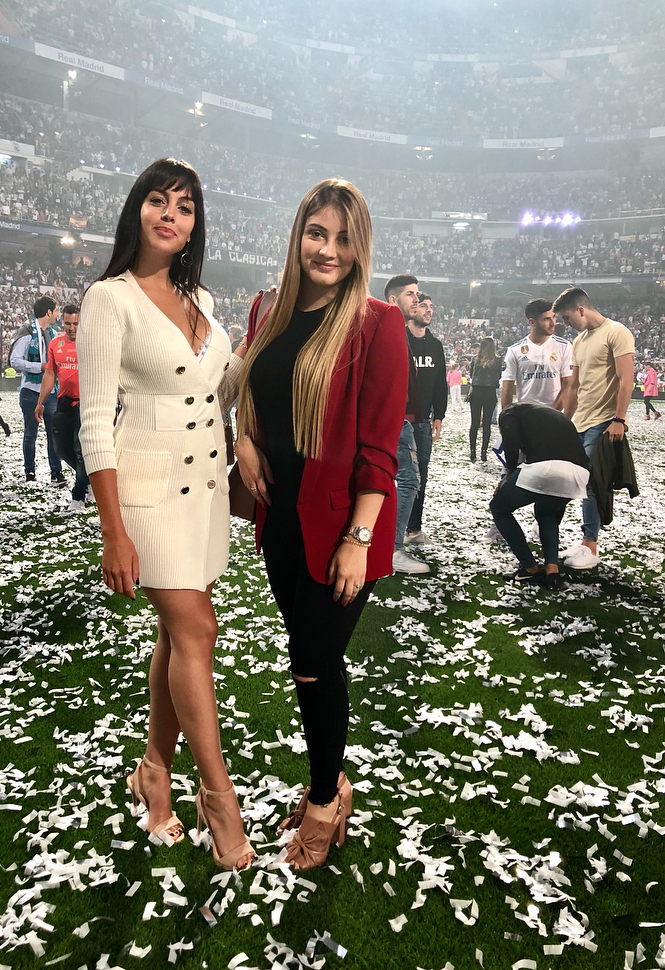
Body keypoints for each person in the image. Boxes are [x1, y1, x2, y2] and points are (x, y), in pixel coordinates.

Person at [78, 158, 254, 870]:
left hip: (205, 490)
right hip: (146, 495)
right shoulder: (108, 297)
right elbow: (96, 422)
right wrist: (112, 531)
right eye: (159, 200)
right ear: (138, 209)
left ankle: (153, 769)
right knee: (198, 630)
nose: (170, 214)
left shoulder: (201, 298)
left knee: (177, 637)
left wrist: (265, 343)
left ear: (193, 226)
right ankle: (219, 799)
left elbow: (221, 388)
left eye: (185, 207)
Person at [235, 178, 408, 870]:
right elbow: (249, 391)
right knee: (310, 659)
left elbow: (380, 450)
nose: (328, 250)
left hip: (344, 530)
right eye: (316, 233)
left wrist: (358, 540)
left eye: (343, 238)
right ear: (297, 235)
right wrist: (242, 439)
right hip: (280, 516)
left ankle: (324, 800)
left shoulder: (378, 324)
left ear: (359, 247)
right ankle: (330, 781)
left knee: (312, 661)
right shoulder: (267, 308)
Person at [554, 286, 636, 569]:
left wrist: (619, 419)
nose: (566, 324)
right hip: (580, 422)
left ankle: (590, 545)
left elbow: (626, 380)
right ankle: (583, 542)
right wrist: (565, 422)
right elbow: (574, 387)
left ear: (581, 309)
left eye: (567, 318)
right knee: (572, 480)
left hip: (602, 421)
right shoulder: (579, 341)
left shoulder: (617, 332)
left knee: (590, 481)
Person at [490, 403, 590, 591]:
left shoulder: (509, 412)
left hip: (544, 467)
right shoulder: (550, 415)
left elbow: (511, 443)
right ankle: (552, 572)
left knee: (499, 508)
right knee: (547, 513)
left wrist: (508, 474)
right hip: (580, 472)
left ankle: (530, 567)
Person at [383, 274, 429, 574]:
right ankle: (392, 549)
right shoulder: (388, 332)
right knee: (409, 481)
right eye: (410, 294)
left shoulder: (398, 332)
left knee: (395, 480)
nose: (417, 299)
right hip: (394, 419)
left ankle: (386, 544)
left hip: (400, 418)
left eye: (417, 294)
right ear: (393, 299)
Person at [35, 305, 93, 511]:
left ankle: (78, 496)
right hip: (64, 402)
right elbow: (50, 373)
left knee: (80, 450)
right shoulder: (55, 344)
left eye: (76, 323)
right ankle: (91, 479)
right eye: (68, 323)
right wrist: (40, 402)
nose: (72, 327)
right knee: (60, 448)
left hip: (86, 403)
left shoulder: (92, 343)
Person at [402, 292, 447, 547]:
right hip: (398, 421)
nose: (429, 310)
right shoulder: (399, 340)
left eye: (431, 306)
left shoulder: (435, 346)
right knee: (399, 476)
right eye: (423, 306)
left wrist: (439, 416)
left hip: (422, 423)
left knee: (421, 476)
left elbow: (440, 384)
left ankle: (413, 528)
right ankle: (393, 527)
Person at [11, 296, 64, 484]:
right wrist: (39, 367)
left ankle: (56, 471)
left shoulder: (54, 334)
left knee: (54, 434)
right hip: (31, 390)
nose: (58, 314)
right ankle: (30, 471)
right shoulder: (26, 332)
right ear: (48, 312)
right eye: (56, 310)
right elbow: (14, 361)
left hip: (51, 391)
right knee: (30, 434)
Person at [500, 299, 574, 411]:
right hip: (525, 414)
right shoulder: (515, 350)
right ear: (532, 322)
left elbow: (568, 384)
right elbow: (507, 387)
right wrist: (507, 418)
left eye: (553, 317)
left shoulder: (564, 346)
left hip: (554, 415)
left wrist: (552, 414)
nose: (553, 323)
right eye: (546, 319)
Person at [468, 337, 501, 462]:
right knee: (487, 424)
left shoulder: (475, 359)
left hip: (476, 391)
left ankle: (472, 451)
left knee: (474, 423)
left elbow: (471, 374)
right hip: (490, 392)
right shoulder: (497, 360)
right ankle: (483, 452)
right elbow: (498, 376)